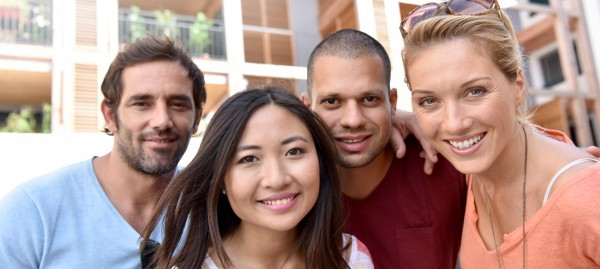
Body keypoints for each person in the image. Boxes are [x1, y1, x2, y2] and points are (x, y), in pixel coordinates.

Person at [401, 0, 600, 267]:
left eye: (475, 91)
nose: (454, 124)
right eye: (429, 101)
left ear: (518, 86)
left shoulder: (586, 199)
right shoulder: (471, 173)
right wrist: (390, 116)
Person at [0, 35, 206, 268]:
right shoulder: (32, 212)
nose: (161, 121)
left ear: (196, 118)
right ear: (110, 115)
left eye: (177, 104)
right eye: (142, 103)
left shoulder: (213, 207)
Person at [141, 86, 374, 269]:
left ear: (320, 161)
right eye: (249, 159)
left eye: (294, 152)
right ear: (220, 178)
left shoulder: (351, 259)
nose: (277, 179)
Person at [302, 28, 467, 269]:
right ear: (308, 107)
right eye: (332, 102)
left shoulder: (444, 162)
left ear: (392, 103)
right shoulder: (294, 186)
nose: (353, 120)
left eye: (369, 99)